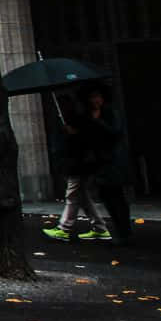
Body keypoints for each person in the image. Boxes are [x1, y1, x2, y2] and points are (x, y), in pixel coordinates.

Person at [44, 90, 112, 242]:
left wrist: (73, 134)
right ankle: (100, 228)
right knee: (82, 197)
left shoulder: (81, 118)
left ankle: (64, 228)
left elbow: (86, 140)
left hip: (80, 163)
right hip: (79, 162)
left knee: (72, 194)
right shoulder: (77, 118)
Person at [87, 87, 135, 244]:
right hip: (102, 162)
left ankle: (125, 232)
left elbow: (115, 132)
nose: (95, 100)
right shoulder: (93, 114)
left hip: (113, 161)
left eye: (97, 96)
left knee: (116, 197)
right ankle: (121, 231)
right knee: (108, 197)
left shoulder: (109, 113)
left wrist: (97, 121)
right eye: (93, 97)